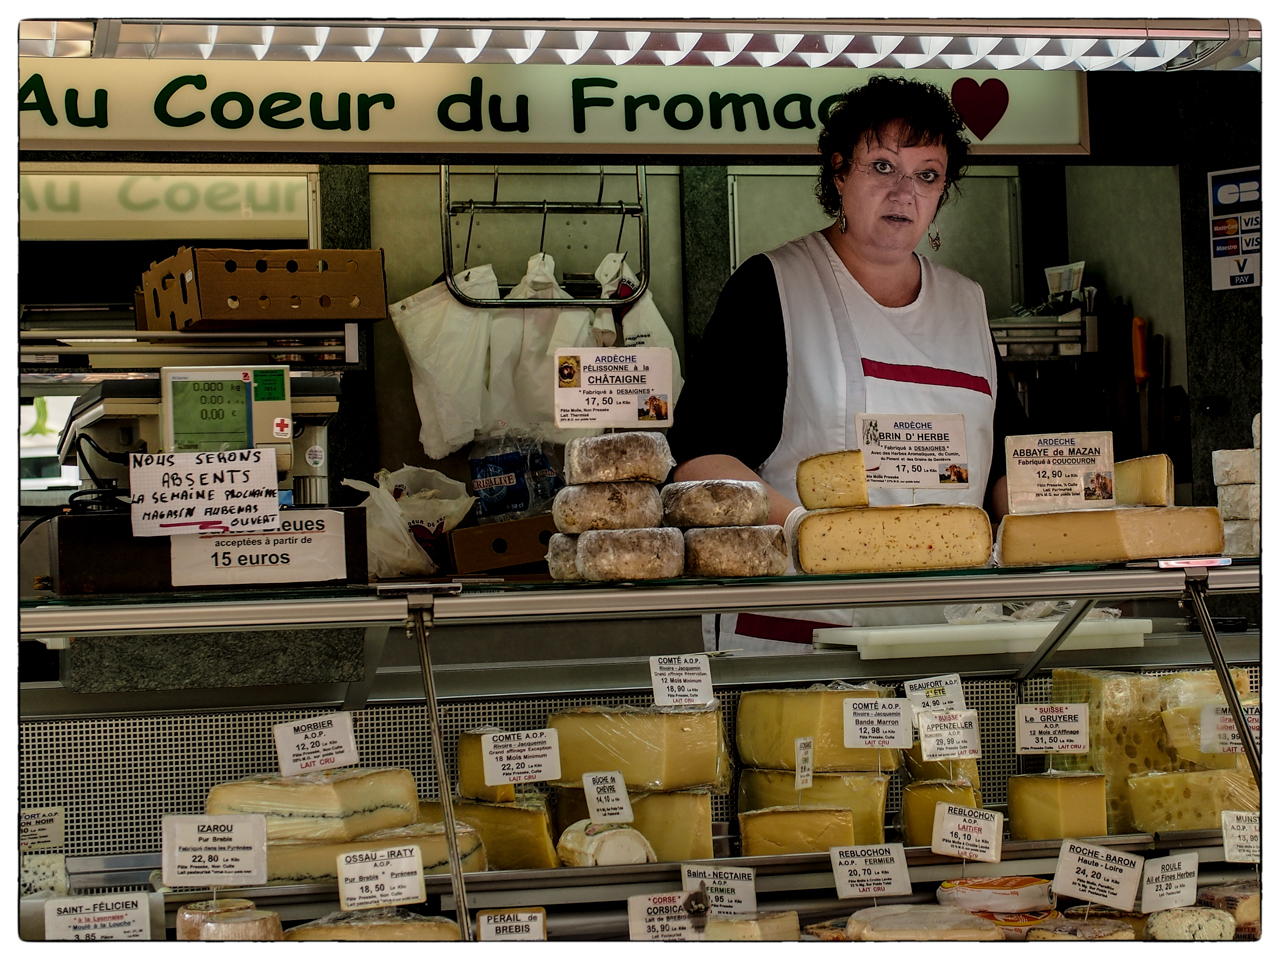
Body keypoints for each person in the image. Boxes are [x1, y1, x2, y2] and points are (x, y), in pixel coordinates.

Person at [667, 75, 1030, 655]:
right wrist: (810, 531)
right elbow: (700, 458)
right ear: (838, 172)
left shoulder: (967, 301)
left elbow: (1007, 464)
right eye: (882, 167)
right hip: (808, 627)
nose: (904, 192)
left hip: (953, 632)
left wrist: (1063, 535)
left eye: (927, 175)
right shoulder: (773, 286)